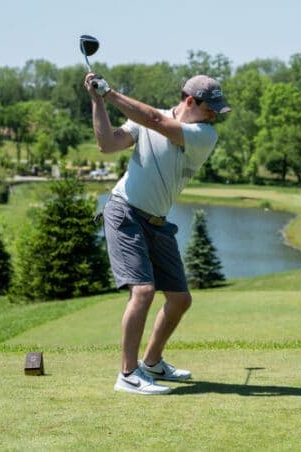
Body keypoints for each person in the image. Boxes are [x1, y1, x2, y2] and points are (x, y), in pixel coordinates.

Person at [84, 72, 231, 395]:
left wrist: (109, 92)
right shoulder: (149, 119)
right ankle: (127, 373)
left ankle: (151, 362)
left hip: (158, 222)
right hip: (125, 210)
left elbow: (153, 119)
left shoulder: (203, 135)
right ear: (191, 101)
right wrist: (98, 101)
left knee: (179, 299)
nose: (216, 116)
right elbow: (107, 144)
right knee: (143, 291)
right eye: (211, 109)